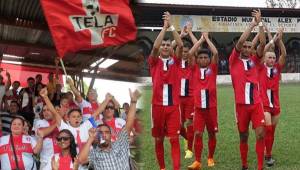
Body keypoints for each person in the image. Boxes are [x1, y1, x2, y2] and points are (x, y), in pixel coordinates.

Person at [229, 10, 266, 170]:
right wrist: (252, 24)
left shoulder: (255, 61)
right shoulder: (233, 61)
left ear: (252, 49)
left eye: (249, 46)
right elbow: (240, 42)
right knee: (243, 136)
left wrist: (261, 24)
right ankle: (244, 164)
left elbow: (263, 44)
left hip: (256, 104)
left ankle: (259, 166)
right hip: (241, 106)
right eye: (244, 46)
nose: (246, 48)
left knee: (260, 134)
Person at [40, 87, 111, 169]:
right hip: (74, 163)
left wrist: (107, 100)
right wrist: (45, 97)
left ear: (81, 118)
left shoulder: (86, 125)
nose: (76, 118)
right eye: (73, 117)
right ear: (68, 118)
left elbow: (97, 111)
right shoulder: (64, 127)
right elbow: (54, 112)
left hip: (90, 162)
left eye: (78, 116)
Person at [148, 11, 183, 170]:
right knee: (159, 140)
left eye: (168, 45)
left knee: (174, 139)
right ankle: (162, 167)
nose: (165, 47)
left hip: (173, 107)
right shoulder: (154, 61)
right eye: (164, 45)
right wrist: (164, 28)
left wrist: (172, 26)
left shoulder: (175, 61)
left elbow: (181, 45)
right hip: (157, 106)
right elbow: (155, 47)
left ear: (171, 48)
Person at [77, 89, 141, 170]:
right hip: (102, 151)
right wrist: (90, 139)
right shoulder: (96, 124)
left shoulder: (119, 141)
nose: (109, 109)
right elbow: (81, 160)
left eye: (111, 107)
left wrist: (133, 102)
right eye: (106, 107)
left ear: (111, 134)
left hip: (123, 154)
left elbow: (129, 124)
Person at [186, 32, 219, 169]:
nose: (204, 59)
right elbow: (190, 54)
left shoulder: (212, 68)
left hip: (211, 108)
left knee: (211, 133)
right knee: (198, 133)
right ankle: (198, 161)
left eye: (206, 57)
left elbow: (215, 53)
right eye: (201, 57)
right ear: (197, 60)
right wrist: (200, 40)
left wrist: (206, 39)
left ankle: (210, 157)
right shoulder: (194, 69)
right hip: (198, 108)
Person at [258, 28, 286, 167]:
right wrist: (272, 40)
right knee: (268, 129)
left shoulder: (276, 68)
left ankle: (267, 150)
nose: (272, 59)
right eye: (269, 57)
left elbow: (284, 55)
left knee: (272, 131)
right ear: (264, 58)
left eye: (273, 57)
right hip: (264, 104)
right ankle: (268, 156)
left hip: (276, 104)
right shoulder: (260, 67)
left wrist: (280, 41)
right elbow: (263, 50)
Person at [176, 24, 197, 159]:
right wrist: (181, 35)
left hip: (190, 98)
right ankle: (187, 139)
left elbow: (197, 47)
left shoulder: (193, 63)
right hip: (177, 98)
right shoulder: (176, 62)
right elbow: (175, 46)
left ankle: (189, 149)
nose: (185, 53)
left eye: (187, 52)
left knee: (190, 123)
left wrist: (190, 33)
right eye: (183, 51)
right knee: (178, 125)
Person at [34, 105, 61, 170]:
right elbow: (42, 133)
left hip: (61, 159)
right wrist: (57, 123)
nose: (46, 112)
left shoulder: (62, 121)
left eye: (48, 110)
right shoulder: (40, 122)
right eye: (44, 110)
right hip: (45, 161)